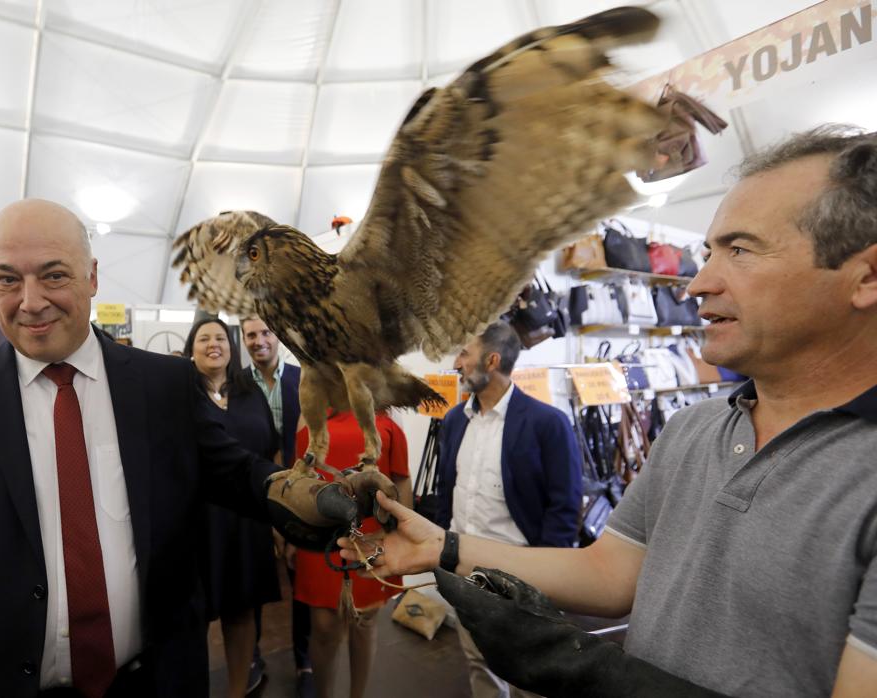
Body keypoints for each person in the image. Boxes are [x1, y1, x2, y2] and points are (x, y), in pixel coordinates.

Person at [340, 126, 877, 697]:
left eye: (740, 250)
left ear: (865, 276)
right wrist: (443, 547)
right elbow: (611, 574)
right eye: (707, 253)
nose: (697, 284)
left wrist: (597, 675)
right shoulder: (692, 430)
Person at [0, 199, 282, 698]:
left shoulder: (162, 386)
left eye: (53, 275)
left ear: (93, 276)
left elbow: (241, 475)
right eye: (7, 280)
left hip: (150, 683)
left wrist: (331, 504)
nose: (31, 300)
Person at [437, 321, 581, 697]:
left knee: (531, 673)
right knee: (478, 663)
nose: (457, 363)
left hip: (521, 576)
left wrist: (545, 577)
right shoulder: (453, 421)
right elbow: (444, 492)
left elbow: (564, 509)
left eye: (464, 354)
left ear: (492, 360)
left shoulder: (548, 423)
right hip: (465, 573)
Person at [186, 318, 280, 698]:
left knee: (242, 612)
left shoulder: (250, 393)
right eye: (204, 338)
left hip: (246, 519)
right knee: (192, 616)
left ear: (231, 347)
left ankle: (238, 690)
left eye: (220, 338)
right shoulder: (180, 396)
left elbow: (269, 449)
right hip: (196, 522)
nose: (213, 344)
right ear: (190, 349)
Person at [293, 409, 411, 698]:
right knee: (323, 626)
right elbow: (297, 474)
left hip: (371, 534)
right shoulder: (312, 409)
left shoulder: (386, 418)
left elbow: (401, 479)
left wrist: (403, 534)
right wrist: (289, 531)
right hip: (319, 531)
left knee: (365, 621)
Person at [241, 315, 313, 697]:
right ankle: (250, 655)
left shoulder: (304, 379)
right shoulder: (237, 385)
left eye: (266, 332)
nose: (259, 341)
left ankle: (305, 660)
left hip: (300, 496)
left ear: (278, 336)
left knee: (303, 581)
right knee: (252, 579)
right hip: (253, 497)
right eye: (250, 334)